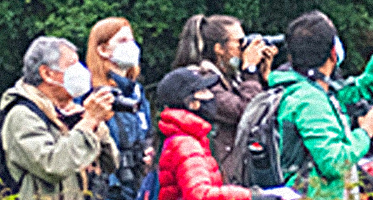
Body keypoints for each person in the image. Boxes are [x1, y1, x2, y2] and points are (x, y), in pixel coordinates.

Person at [268, 10, 373, 199]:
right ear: (333, 53)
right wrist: (365, 132)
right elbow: (334, 163)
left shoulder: (306, 88)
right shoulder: (309, 101)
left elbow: (358, 92)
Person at [0, 36, 119, 199]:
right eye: (72, 65)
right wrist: (89, 121)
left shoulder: (68, 113)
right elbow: (53, 166)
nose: (81, 71)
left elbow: (111, 164)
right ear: (47, 73)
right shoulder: (22, 115)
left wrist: (96, 124)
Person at [170, 14, 278, 183]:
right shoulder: (204, 82)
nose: (243, 48)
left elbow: (263, 115)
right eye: (239, 42)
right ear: (219, 48)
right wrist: (250, 71)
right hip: (216, 176)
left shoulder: (232, 78)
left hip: (233, 172)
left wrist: (263, 78)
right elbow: (246, 114)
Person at [155, 68, 279, 200]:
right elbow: (200, 195)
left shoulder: (187, 138)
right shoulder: (186, 145)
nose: (211, 95)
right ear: (191, 103)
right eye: (203, 91)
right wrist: (251, 196)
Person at [84, 17, 156, 200]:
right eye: (123, 41)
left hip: (138, 181)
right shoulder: (93, 94)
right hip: (109, 187)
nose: (131, 46)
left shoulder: (136, 92)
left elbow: (147, 131)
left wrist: (149, 151)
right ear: (102, 49)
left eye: (132, 40)